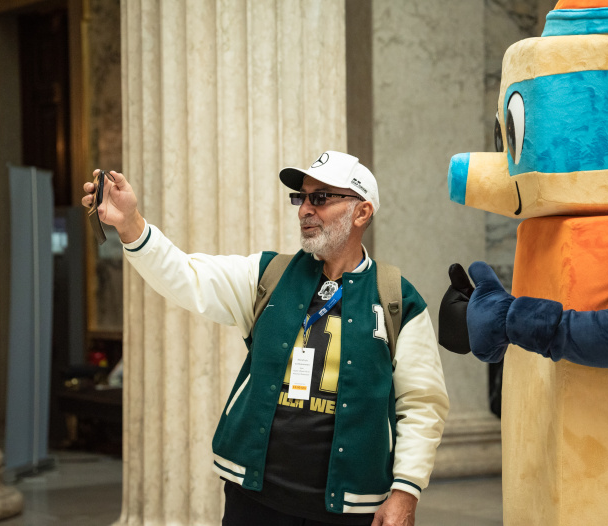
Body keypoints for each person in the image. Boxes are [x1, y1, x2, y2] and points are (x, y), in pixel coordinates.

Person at [82, 150, 449, 526]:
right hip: (255, 498)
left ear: (361, 212)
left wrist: (406, 491)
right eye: (301, 197)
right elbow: (185, 276)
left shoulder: (396, 298)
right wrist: (130, 224)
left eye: (320, 198)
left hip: (352, 506)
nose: (305, 209)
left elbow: (422, 406)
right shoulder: (269, 275)